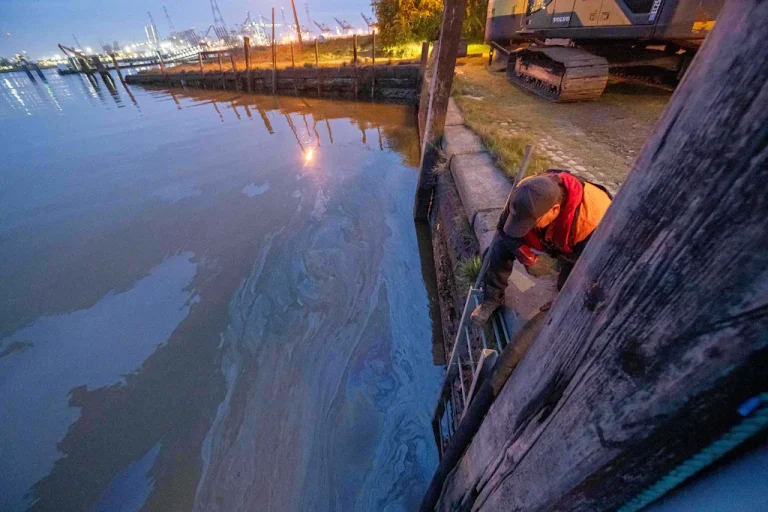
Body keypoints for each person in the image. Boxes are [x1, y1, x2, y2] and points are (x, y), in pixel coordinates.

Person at [471, 169, 613, 325]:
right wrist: (527, 257)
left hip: (579, 243)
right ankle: (492, 298)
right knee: (499, 247)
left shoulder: (593, 220)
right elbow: (504, 231)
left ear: (554, 210)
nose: (523, 228)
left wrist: (564, 290)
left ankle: (560, 305)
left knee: (573, 275)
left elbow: (587, 265)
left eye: (530, 223)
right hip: (551, 235)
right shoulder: (522, 193)